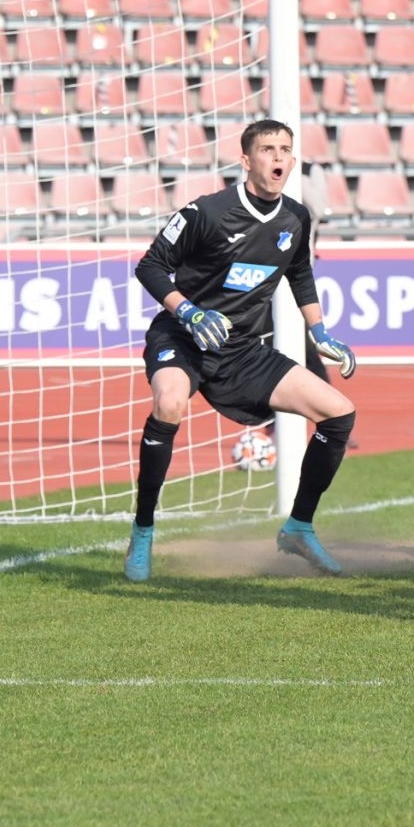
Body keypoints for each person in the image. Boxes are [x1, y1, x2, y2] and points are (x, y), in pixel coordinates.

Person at [124, 120, 358, 581]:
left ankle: (298, 527)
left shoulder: (295, 217)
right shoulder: (205, 213)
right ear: (246, 160)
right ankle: (144, 530)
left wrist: (320, 331)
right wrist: (188, 311)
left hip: (242, 351)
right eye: (268, 149)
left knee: (339, 412)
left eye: (286, 150)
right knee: (169, 403)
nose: (278, 157)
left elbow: (300, 274)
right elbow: (150, 266)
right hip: (183, 337)